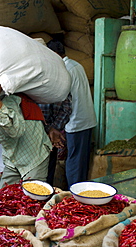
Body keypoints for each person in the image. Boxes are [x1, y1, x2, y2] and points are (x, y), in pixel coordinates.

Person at [47, 39, 97, 188]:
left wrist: (55, 127)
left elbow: (64, 102)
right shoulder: (76, 65)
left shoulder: (64, 70)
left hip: (76, 122)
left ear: (55, 54)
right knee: (80, 162)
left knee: (74, 162)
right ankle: (78, 192)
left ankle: (74, 194)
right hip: (85, 120)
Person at [38, 96, 72, 187]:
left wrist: (53, 129)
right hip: (35, 133)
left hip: (52, 136)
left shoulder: (60, 85)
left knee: (48, 171)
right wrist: (51, 129)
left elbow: (67, 108)